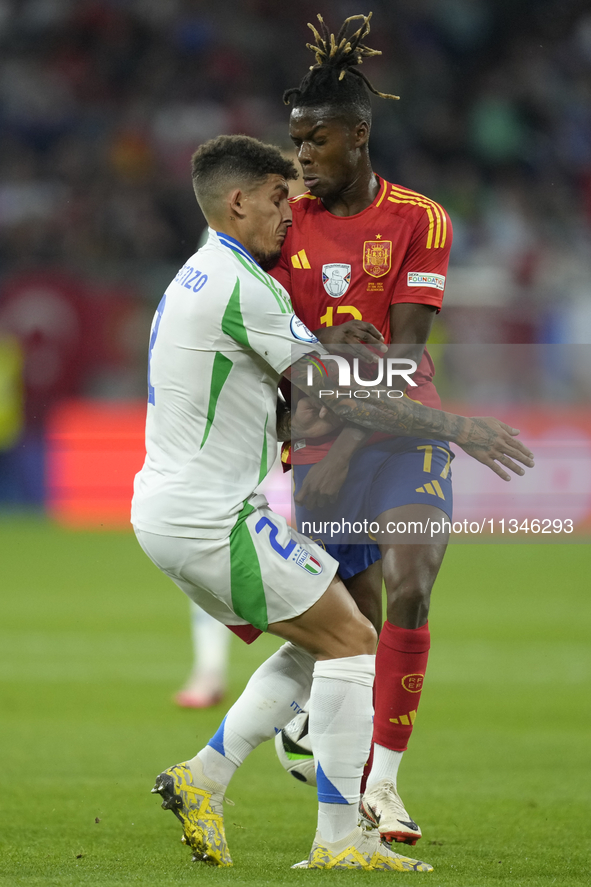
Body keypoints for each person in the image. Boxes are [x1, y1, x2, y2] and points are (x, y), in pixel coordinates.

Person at [131, 134, 532, 870]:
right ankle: (342, 837)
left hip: (177, 508)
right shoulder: (244, 286)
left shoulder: (200, 272)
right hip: (210, 516)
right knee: (352, 642)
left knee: (325, 634)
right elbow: (341, 393)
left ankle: (204, 776)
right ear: (238, 200)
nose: (293, 211)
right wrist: (459, 427)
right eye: (279, 198)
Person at [267, 11, 516, 846]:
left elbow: (403, 355)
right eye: (296, 141)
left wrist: (343, 444)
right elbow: (279, 351)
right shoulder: (279, 222)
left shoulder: (420, 219)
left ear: (359, 136)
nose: (301, 156)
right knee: (357, 627)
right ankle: (309, 735)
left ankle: (385, 784)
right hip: (314, 436)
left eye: (317, 140)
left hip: (399, 429)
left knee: (413, 581)